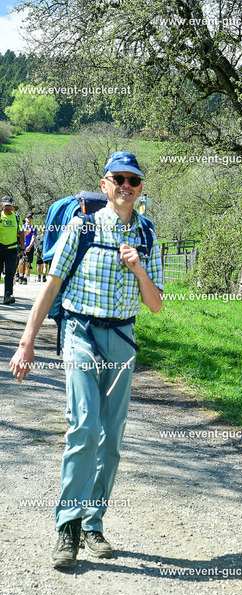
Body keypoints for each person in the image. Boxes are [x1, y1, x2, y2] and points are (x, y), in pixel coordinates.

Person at [10, 151, 163, 570]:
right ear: (104, 184)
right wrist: (27, 343)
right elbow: (52, 285)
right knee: (84, 427)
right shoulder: (82, 226)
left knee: (111, 441)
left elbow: (155, 304)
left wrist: (139, 270)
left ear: (140, 188)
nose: (126, 186)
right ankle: (68, 525)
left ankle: (93, 523)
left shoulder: (147, 233)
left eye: (133, 180)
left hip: (122, 341)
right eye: (118, 179)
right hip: (80, 334)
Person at [0, 195, 24, 305]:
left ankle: (7, 295)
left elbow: (21, 234)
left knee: (10, 272)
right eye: (5, 205)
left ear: (12, 205)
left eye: (9, 205)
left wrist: (22, 249)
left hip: (12, 249)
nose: (7, 207)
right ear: (1, 205)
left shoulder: (17, 218)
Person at [18, 213, 37, 284]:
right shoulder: (21, 227)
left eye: (30, 218)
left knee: (28, 262)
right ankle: (20, 276)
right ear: (25, 218)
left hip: (30, 247)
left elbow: (33, 238)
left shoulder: (33, 228)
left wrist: (29, 246)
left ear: (32, 219)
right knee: (20, 261)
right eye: (27, 217)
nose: (29, 219)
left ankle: (25, 278)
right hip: (22, 247)